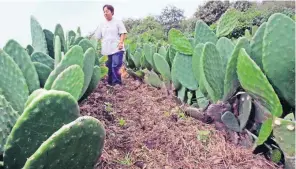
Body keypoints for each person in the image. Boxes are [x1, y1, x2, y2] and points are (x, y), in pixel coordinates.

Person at [94, 4, 127, 86]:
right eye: (104, 12)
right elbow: (97, 37)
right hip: (106, 49)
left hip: (117, 48)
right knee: (108, 67)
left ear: (112, 12)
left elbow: (123, 32)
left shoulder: (117, 21)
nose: (105, 13)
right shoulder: (102, 24)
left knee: (115, 65)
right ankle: (110, 83)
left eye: (107, 11)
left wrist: (121, 43)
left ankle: (117, 83)